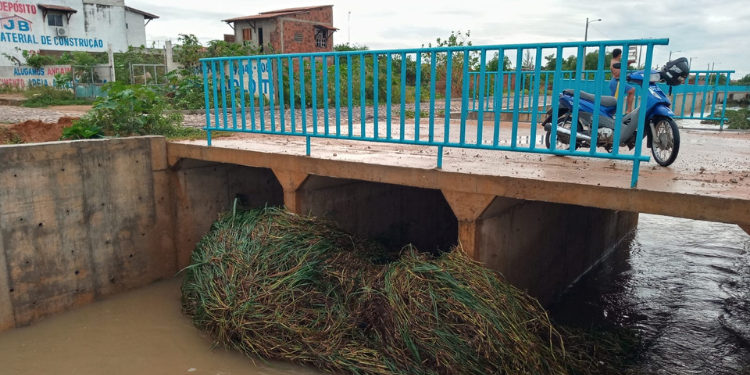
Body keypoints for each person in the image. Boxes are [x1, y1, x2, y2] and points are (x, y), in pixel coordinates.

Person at [609, 48, 637, 113]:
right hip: (616, 82)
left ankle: (628, 110)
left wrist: (626, 64)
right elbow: (617, 74)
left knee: (613, 99)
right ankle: (628, 110)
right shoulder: (615, 63)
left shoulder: (613, 61)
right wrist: (624, 66)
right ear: (619, 55)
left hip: (616, 82)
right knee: (613, 100)